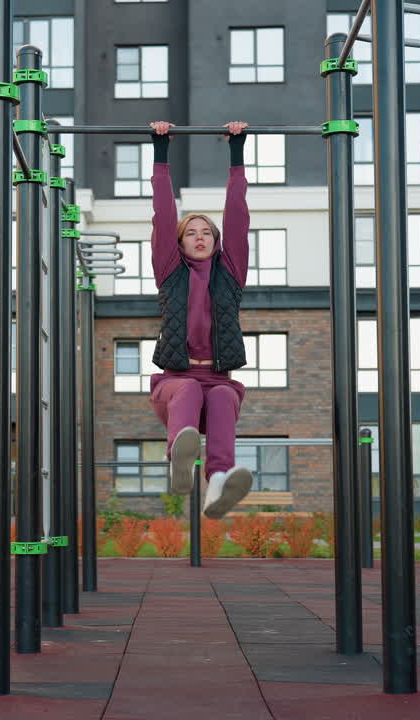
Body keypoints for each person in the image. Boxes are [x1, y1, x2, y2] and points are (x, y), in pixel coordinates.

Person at [147, 120, 255, 519]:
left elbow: (238, 217)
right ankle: (179, 461)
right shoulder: (169, 271)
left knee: (226, 394)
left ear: (215, 241)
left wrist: (236, 155)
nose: (199, 236)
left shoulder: (231, 273)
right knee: (190, 391)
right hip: (175, 385)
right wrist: (161, 156)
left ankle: (218, 485)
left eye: (206, 232)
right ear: (179, 242)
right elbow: (162, 212)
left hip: (217, 381)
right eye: (190, 232)